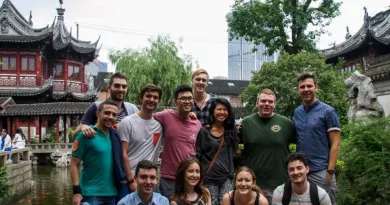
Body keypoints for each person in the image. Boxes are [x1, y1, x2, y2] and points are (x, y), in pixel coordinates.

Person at [74, 72, 139, 199]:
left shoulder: (132, 109)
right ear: (109, 87)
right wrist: (84, 127)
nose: (121, 89)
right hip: (100, 174)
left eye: (124, 86)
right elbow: (76, 134)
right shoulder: (97, 107)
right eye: (117, 86)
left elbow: (146, 119)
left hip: (124, 171)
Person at [238, 89, 296, 204]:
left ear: (274, 104)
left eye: (270, 101)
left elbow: (300, 144)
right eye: (263, 101)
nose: (266, 104)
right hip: (252, 182)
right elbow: (234, 145)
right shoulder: (246, 123)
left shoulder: (286, 123)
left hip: (279, 181)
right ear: (257, 103)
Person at [294, 72, 340, 205]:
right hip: (301, 171)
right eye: (302, 87)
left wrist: (330, 172)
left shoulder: (328, 111)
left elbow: (336, 143)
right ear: (298, 90)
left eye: (309, 86)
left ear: (316, 87)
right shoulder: (297, 112)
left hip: (321, 170)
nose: (306, 89)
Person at [153, 84, 202, 198]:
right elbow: (146, 116)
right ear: (176, 101)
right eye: (183, 98)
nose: (187, 101)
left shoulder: (197, 123)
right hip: (170, 178)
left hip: (190, 179)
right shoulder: (166, 116)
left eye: (190, 98)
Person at [70, 100, 119, 205]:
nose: (110, 117)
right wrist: (76, 192)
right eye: (107, 113)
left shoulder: (115, 137)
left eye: (114, 114)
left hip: (112, 194)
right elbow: (74, 164)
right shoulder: (86, 135)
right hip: (91, 194)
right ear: (98, 113)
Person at [118, 84, 163, 192]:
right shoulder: (127, 122)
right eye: (148, 96)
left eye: (155, 97)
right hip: (129, 180)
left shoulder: (160, 124)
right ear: (141, 97)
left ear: (159, 101)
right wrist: (130, 181)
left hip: (150, 180)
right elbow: (122, 154)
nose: (151, 100)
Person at [196, 98, 239, 205]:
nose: (222, 112)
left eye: (225, 110)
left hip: (226, 178)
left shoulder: (232, 131)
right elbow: (198, 155)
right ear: (213, 111)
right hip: (209, 179)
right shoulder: (204, 131)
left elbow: (237, 151)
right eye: (219, 109)